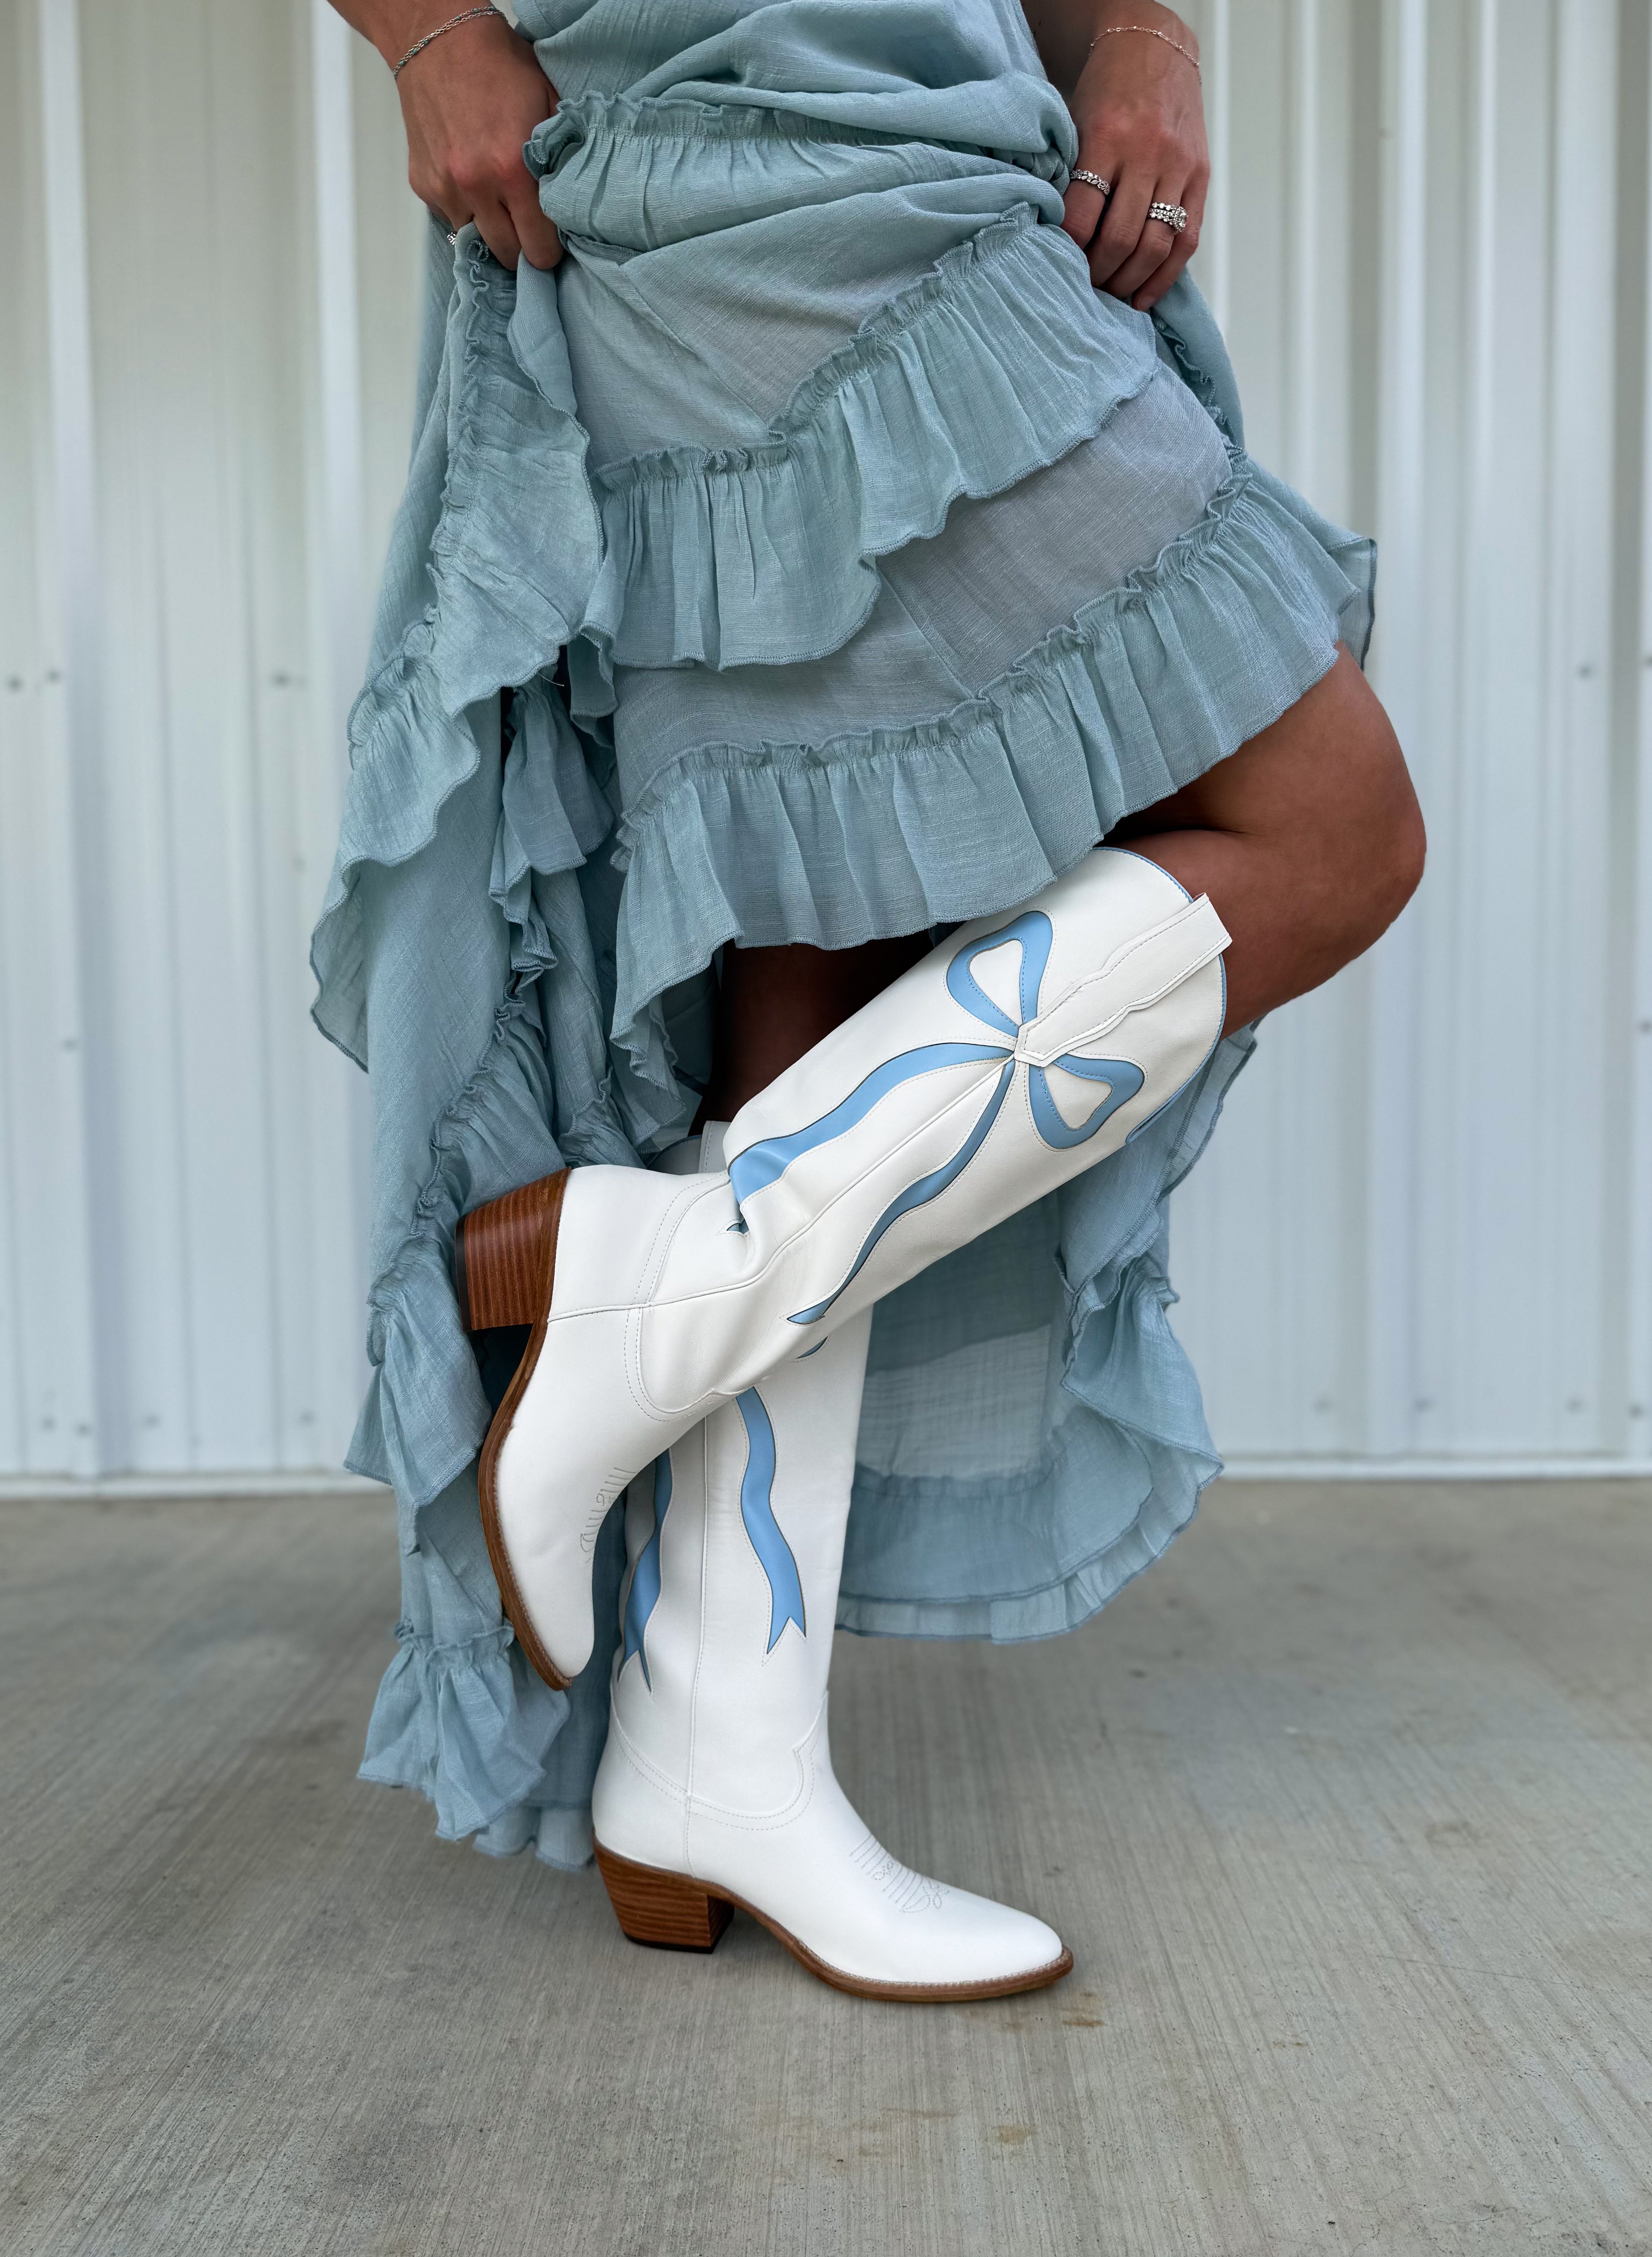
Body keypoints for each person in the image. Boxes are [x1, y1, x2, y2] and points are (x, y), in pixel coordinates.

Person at [316, 0, 1423, 2002]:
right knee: (1329, 825)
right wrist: (422, 35)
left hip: (931, 144)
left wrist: (1135, 28)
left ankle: (713, 1739)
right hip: (732, 149)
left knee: (823, 928)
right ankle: (650, 1298)